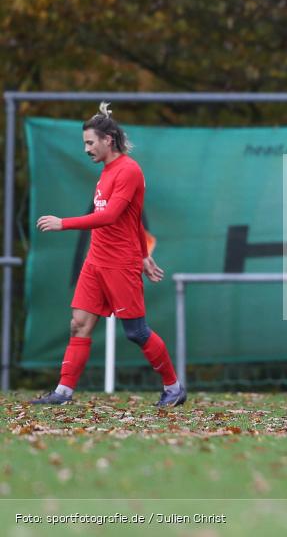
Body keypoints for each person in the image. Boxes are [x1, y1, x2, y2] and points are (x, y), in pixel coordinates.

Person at [31, 103, 185, 407]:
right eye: (84, 143)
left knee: (136, 332)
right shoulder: (106, 172)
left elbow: (113, 215)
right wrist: (145, 254)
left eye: (90, 142)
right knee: (79, 323)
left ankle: (174, 386)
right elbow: (133, 219)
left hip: (119, 264)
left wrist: (64, 223)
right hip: (95, 261)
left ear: (108, 140)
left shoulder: (129, 170)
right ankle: (63, 392)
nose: (86, 149)